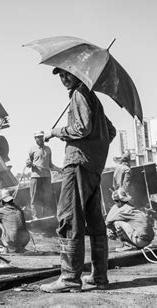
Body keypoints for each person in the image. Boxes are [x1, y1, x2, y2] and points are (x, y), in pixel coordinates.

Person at [40, 67, 116, 292]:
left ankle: (70, 279)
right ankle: (99, 277)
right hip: (93, 166)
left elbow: (82, 128)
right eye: (61, 76)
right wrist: (95, 147)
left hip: (77, 164)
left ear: (78, 75)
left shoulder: (79, 94)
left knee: (69, 217)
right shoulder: (93, 98)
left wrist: (56, 132)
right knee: (94, 221)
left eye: (67, 74)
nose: (64, 79)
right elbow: (109, 131)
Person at [26, 131, 62, 219]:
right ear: (35, 139)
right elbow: (27, 163)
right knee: (35, 197)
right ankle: (36, 216)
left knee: (48, 197)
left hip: (47, 177)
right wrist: (29, 163)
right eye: (38, 137)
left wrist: (59, 169)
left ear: (43, 138)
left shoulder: (48, 149)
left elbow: (50, 165)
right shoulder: (32, 149)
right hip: (35, 177)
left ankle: (48, 216)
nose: (40, 139)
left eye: (41, 137)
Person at [0, 189, 30, 253]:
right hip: (24, 241)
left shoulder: (2, 211)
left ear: (2, 201)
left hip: (12, 242)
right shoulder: (19, 210)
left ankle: (8, 248)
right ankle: (17, 247)